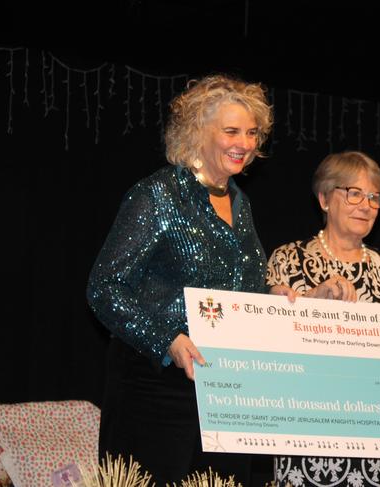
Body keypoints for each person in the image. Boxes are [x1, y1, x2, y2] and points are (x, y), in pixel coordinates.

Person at [86, 74, 273, 485]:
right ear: (197, 132)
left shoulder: (241, 205)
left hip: (225, 392)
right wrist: (167, 339)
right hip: (153, 388)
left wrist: (284, 296)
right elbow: (104, 288)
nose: (244, 142)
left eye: (252, 132)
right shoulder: (156, 195)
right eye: (231, 130)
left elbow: (244, 290)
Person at [267, 151, 380, 487]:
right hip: (306, 435)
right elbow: (270, 337)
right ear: (324, 199)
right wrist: (314, 298)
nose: (366, 205)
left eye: (374, 197)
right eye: (354, 193)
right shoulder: (288, 259)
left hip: (378, 438)